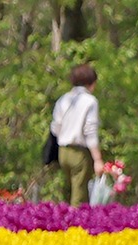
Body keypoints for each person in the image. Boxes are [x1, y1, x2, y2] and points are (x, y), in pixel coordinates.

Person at [51, 63, 104, 206]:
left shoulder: (63, 99)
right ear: (91, 82)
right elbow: (90, 131)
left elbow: (55, 127)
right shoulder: (90, 101)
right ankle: (75, 219)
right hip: (79, 153)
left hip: (63, 151)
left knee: (68, 190)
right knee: (79, 194)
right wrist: (98, 159)